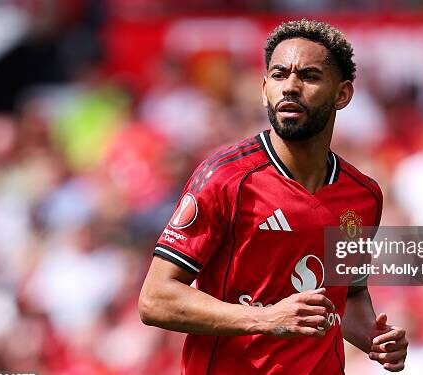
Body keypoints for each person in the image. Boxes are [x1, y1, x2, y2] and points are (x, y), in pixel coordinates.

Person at [139, 19, 408, 374]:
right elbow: (155, 299)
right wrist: (265, 318)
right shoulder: (226, 178)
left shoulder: (363, 195)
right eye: (279, 76)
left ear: (342, 94)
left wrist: (375, 338)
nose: (290, 87)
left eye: (309, 76)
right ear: (264, 88)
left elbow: (350, 296)